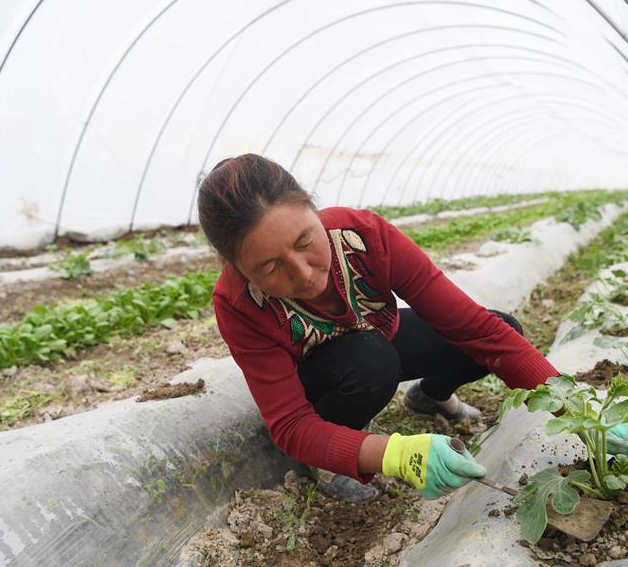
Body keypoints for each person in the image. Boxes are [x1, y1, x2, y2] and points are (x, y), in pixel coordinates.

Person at [196, 154, 625, 502]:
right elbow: (290, 424)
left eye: (305, 241)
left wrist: (584, 413)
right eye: (270, 268)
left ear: (313, 208)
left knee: (500, 328)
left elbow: (479, 330)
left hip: (376, 341)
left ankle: (430, 396)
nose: (303, 274)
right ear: (238, 268)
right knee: (371, 360)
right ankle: (332, 457)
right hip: (326, 382)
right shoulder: (238, 304)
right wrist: (396, 454)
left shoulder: (365, 236)